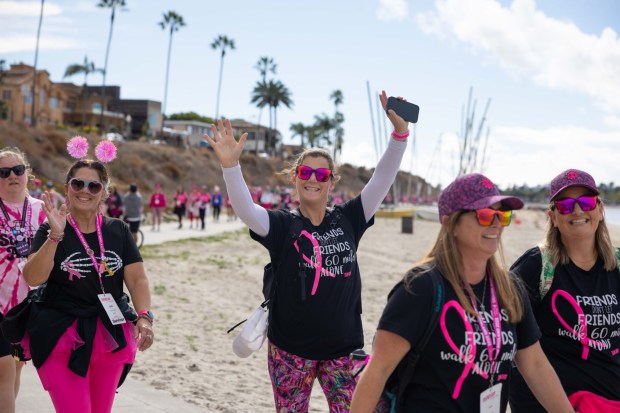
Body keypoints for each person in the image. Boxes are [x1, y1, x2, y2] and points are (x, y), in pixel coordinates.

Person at [205, 90, 409, 412]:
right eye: (306, 173)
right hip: (289, 352)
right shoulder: (282, 225)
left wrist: (400, 135)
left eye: (321, 175)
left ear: (331, 182)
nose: (313, 179)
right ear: (296, 178)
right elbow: (246, 210)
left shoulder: (350, 217)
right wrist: (231, 166)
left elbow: (382, 178)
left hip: (344, 349)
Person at [350, 173, 575, 413]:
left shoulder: (511, 289)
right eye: (486, 215)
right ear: (450, 223)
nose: (497, 224)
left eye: (503, 215)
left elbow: (535, 365)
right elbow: (378, 371)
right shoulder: (420, 288)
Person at [22, 159, 154, 413]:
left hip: (109, 333)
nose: (85, 190)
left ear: (104, 192)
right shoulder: (49, 229)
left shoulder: (119, 230)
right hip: (61, 333)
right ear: (67, 187)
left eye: (94, 186)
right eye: (78, 183)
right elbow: (33, 277)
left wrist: (144, 317)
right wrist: (55, 237)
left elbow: (137, 279)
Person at [509, 169, 620, 411]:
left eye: (587, 202)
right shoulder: (536, 267)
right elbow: (513, 344)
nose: (578, 210)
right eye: (567, 205)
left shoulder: (617, 266)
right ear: (553, 216)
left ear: (600, 210)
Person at [0, 147, 46, 413]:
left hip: (30, 305)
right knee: (4, 368)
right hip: (0, 304)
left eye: (17, 170)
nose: (12, 177)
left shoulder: (42, 210)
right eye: (3, 172)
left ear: (26, 173)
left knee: (15, 367)